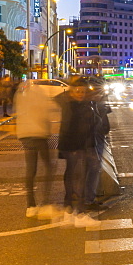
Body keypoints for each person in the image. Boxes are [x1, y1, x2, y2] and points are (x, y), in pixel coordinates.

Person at [56, 77, 109, 227]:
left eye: (82, 92)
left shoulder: (76, 104)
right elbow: (82, 127)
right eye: (77, 91)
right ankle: (79, 214)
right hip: (77, 146)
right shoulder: (76, 107)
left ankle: (69, 210)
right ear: (72, 92)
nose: (80, 94)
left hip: (76, 145)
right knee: (78, 178)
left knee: (73, 176)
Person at [15, 79, 62, 219]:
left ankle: (30, 205)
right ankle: (45, 202)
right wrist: (48, 131)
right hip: (39, 135)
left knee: (31, 169)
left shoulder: (20, 95)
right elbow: (45, 115)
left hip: (25, 136)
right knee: (48, 166)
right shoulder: (41, 95)